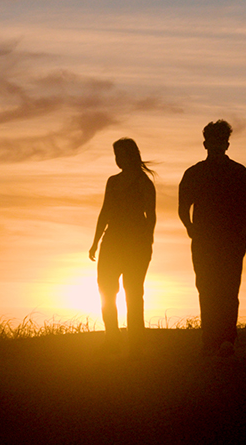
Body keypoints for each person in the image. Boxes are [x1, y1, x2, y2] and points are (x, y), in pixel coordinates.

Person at [178, 120, 246, 356]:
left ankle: (226, 339)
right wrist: (190, 228)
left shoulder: (239, 172)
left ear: (227, 144)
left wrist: (242, 233)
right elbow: (183, 207)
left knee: (229, 290)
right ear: (205, 144)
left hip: (231, 241)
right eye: (212, 141)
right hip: (203, 241)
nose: (216, 146)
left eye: (220, 142)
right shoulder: (194, 173)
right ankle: (210, 340)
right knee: (206, 288)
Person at [89, 138, 156, 349]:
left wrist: (148, 240)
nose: (118, 159)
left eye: (121, 155)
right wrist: (95, 241)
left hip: (136, 243)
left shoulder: (143, 182)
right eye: (116, 155)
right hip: (112, 241)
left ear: (131, 156)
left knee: (133, 291)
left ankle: (136, 341)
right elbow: (105, 211)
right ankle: (112, 338)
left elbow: (151, 215)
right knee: (106, 288)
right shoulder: (113, 181)